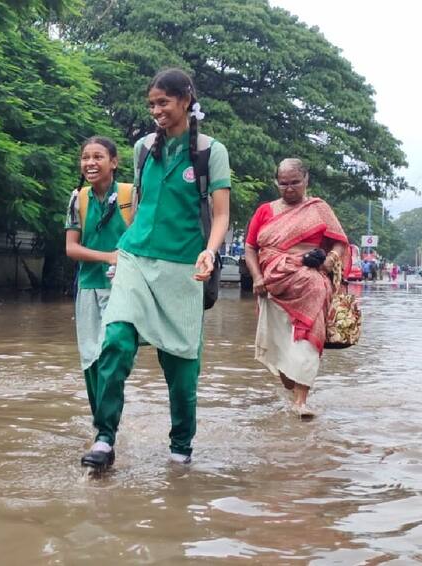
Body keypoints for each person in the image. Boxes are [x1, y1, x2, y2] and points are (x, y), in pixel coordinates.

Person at [80, 68, 231, 470]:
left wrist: (210, 252)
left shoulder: (210, 152)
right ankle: (105, 438)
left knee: (181, 368)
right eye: (151, 104)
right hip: (135, 257)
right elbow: (145, 203)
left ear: (185, 100)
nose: (156, 111)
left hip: (184, 266)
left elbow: (220, 215)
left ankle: (181, 448)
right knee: (115, 341)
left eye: (163, 102)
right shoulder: (143, 147)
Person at [244, 158, 348, 418]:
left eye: (295, 183)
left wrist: (328, 261)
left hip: (311, 284)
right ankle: (291, 385)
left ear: (306, 180)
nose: (289, 188)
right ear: (276, 183)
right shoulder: (265, 211)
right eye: (283, 183)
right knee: (279, 346)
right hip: (272, 286)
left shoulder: (319, 209)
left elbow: (339, 243)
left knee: (308, 342)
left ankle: (300, 402)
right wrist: (257, 277)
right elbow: (250, 248)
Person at [65, 136, 135, 424]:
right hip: (89, 286)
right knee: (90, 358)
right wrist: (109, 257)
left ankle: (107, 427)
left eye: (98, 157)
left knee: (112, 354)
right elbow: (71, 247)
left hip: (124, 289)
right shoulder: (78, 198)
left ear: (114, 162)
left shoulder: (132, 196)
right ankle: (101, 423)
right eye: (85, 157)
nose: (90, 163)